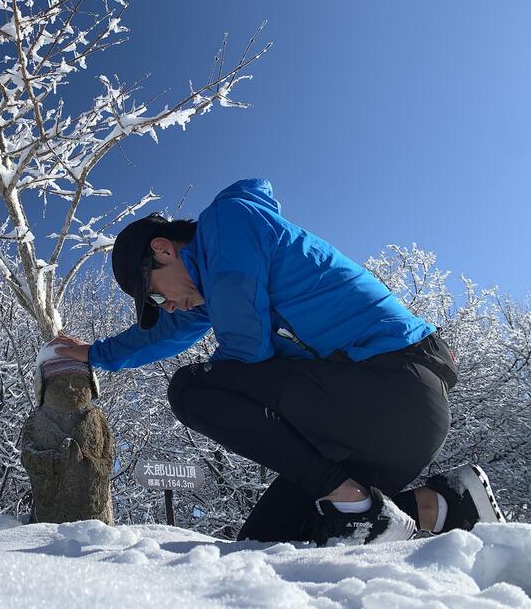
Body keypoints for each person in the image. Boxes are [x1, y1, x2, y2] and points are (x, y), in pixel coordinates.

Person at [52, 178, 504, 546]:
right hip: (370, 422)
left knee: (193, 387)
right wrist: (94, 354)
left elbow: (246, 350)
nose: (165, 306)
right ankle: (447, 504)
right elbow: (165, 335)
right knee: (268, 545)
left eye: (154, 294)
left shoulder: (227, 225)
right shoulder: (221, 286)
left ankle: (352, 503)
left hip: (394, 385)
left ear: (164, 249)